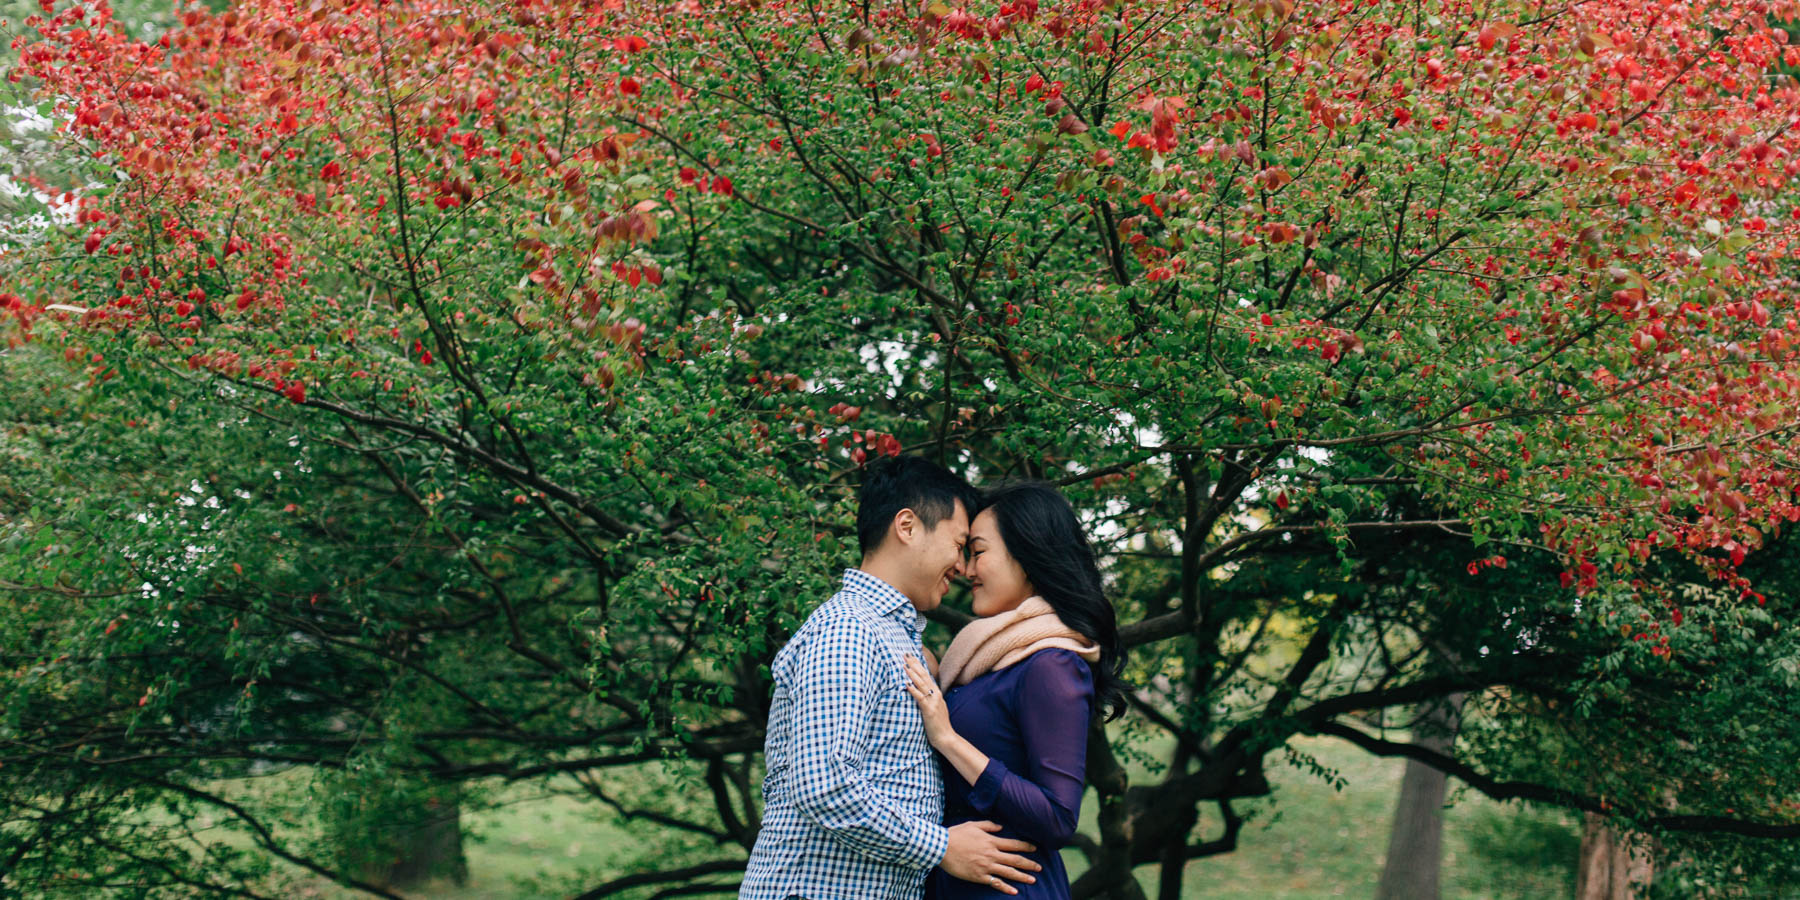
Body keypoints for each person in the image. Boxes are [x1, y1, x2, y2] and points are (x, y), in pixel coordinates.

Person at [741, 456, 1045, 900]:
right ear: (907, 527)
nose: (962, 567)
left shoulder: (890, 637)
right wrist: (942, 848)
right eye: (959, 544)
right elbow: (823, 784)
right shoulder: (848, 630)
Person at [901, 481, 1127, 900]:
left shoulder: (1053, 663)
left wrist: (948, 739)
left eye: (979, 552)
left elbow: (1058, 817)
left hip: (1009, 887)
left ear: (1028, 556)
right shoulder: (988, 661)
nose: (966, 570)